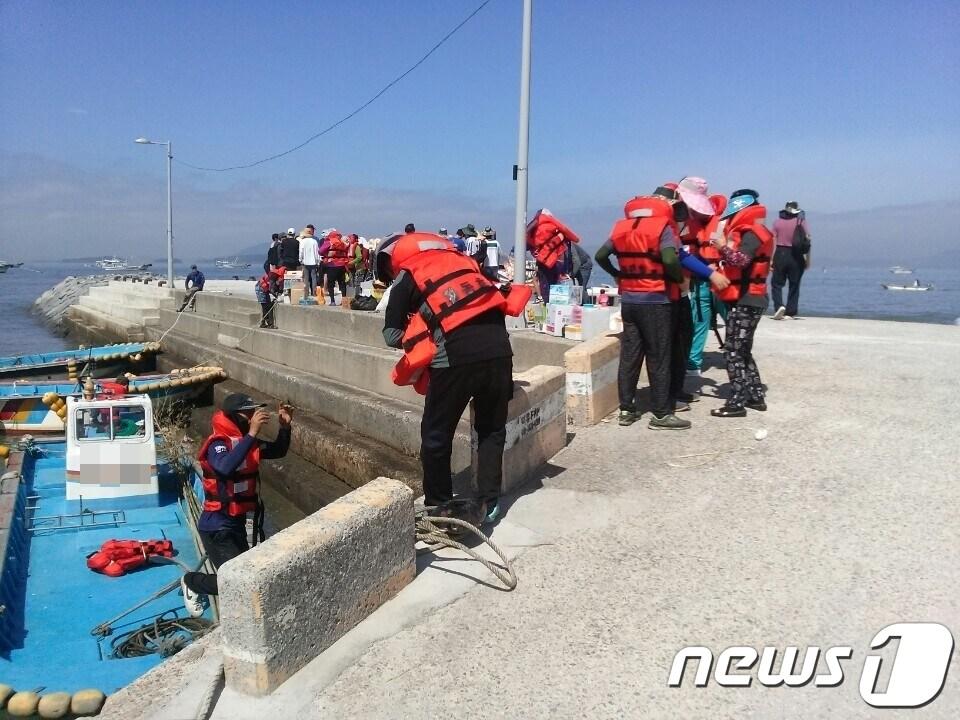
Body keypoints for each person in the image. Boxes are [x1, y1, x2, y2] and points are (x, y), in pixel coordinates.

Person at [381, 232, 530, 523]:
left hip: (455, 359)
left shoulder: (409, 274)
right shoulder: (466, 262)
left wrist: (420, 338)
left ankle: (439, 506)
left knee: (436, 436)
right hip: (500, 352)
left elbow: (391, 334)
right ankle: (490, 503)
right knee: (491, 429)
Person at [180, 394, 293, 612]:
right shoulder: (218, 444)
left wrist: (284, 427)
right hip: (217, 526)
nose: (253, 416)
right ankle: (192, 582)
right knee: (235, 582)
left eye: (254, 412)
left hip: (237, 522)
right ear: (236, 416)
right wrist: (252, 433)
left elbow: (278, 450)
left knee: (246, 574)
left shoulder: (246, 442)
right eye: (248, 412)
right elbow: (223, 467)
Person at [594, 189, 691, 430]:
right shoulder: (662, 228)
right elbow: (669, 259)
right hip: (657, 299)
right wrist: (679, 280)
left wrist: (618, 274)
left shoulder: (621, 228)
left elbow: (600, 255)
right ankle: (660, 414)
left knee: (630, 355)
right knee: (659, 356)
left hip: (630, 301)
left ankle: (627, 409)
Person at [709, 190, 774, 417]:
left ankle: (736, 402)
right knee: (743, 350)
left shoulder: (752, 233)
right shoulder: (759, 231)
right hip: (753, 298)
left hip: (747, 299)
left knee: (733, 351)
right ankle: (756, 396)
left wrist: (721, 247)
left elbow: (741, 260)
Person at [526, 209, 580, 302]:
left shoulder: (532, 229)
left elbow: (525, 243)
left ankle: (547, 306)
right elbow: (571, 236)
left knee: (545, 286)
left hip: (542, 261)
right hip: (557, 261)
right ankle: (556, 307)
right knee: (557, 286)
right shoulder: (554, 225)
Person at [770, 201, 811, 319]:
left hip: (780, 253)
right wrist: (808, 259)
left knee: (776, 283)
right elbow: (807, 241)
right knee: (794, 284)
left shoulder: (777, 223)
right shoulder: (801, 222)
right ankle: (791, 312)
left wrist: (771, 259)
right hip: (797, 255)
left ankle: (779, 307)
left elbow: (773, 241)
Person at [320, 230, 350, 305]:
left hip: (332, 265)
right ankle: (343, 301)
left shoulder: (329, 242)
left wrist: (326, 254)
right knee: (342, 283)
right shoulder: (342, 243)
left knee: (331, 284)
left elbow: (320, 251)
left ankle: (333, 301)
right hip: (342, 266)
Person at [298, 226, 321, 298]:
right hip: (313, 262)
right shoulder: (314, 241)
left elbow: (301, 252)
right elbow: (317, 252)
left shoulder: (302, 241)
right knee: (314, 278)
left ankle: (306, 293)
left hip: (305, 262)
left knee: (306, 279)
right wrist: (318, 262)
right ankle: (314, 292)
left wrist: (300, 259)